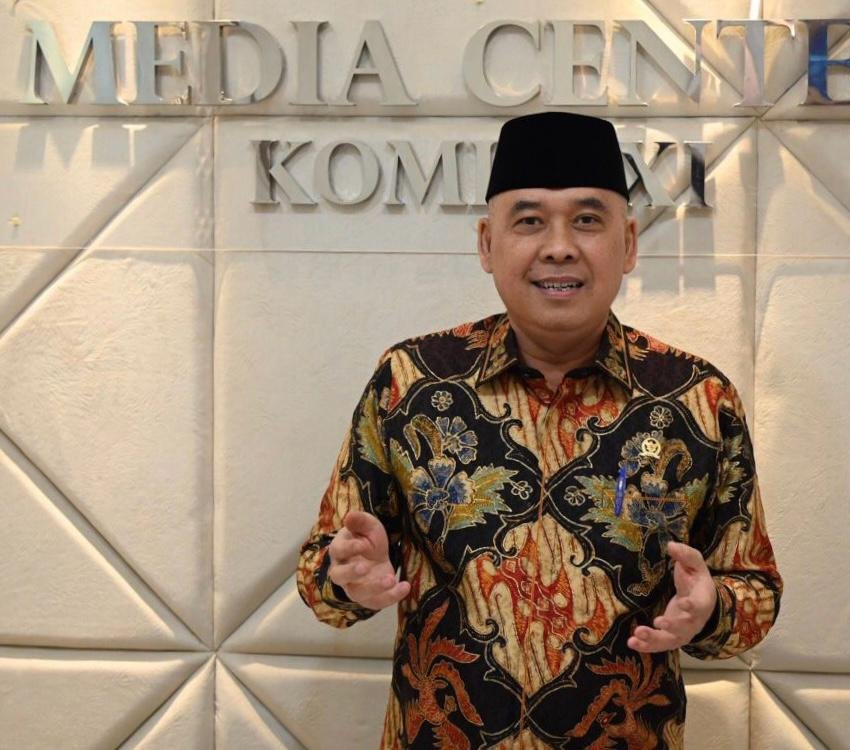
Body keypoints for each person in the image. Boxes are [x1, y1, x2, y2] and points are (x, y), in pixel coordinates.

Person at [297, 111, 783, 749]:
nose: (559, 247)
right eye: (529, 221)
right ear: (486, 244)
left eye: (587, 220)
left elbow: (755, 591)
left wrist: (711, 609)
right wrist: (347, 579)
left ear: (628, 243)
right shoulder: (411, 382)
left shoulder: (697, 399)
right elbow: (321, 576)